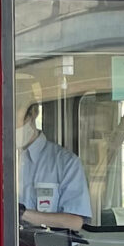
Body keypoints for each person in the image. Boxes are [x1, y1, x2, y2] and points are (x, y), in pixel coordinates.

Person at [15, 75, 91, 229]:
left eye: (16, 116)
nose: (11, 125)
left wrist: (21, 214)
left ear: (34, 112)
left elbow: (75, 221)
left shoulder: (65, 162)